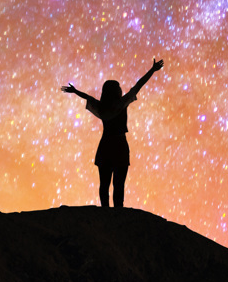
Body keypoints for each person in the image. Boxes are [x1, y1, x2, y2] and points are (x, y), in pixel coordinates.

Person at [62, 59, 164, 207]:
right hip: (120, 146)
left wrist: (75, 91)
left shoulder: (101, 107)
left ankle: (106, 212)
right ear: (117, 91)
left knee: (104, 184)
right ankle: (117, 213)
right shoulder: (121, 104)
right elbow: (138, 86)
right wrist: (152, 70)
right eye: (119, 87)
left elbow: (87, 97)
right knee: (118, 185)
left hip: (105, 146)